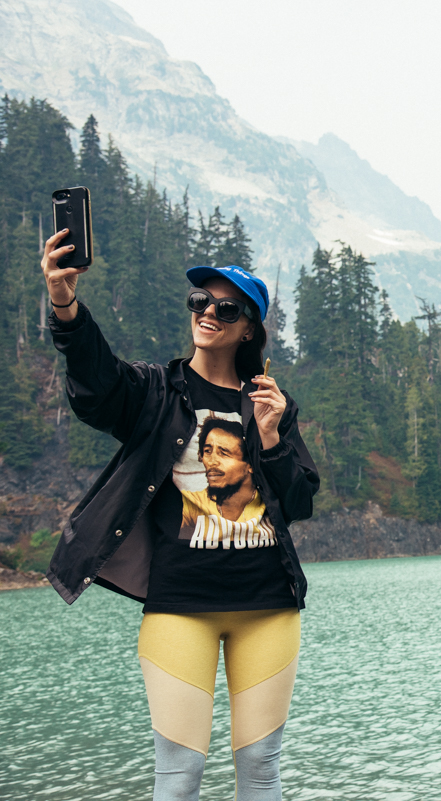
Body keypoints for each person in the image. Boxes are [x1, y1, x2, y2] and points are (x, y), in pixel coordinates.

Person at [41, 226, 320, 801]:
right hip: (178, 610)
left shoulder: (269, 403)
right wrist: (65, 305)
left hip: (267, 609)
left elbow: (298, 503)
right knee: (177, 780)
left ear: (249, 328)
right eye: (200, 301)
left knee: (262, 771)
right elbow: (97, 385)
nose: (208, 312)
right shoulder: (155, 391)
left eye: (226, 307)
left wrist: (270, 440)